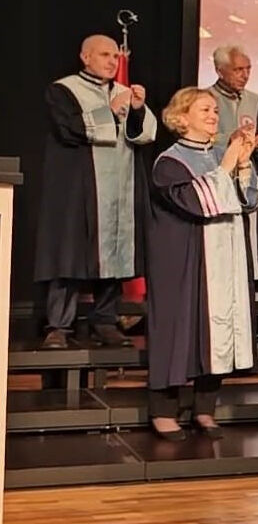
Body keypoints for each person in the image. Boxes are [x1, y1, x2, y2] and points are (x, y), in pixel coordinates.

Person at [145, 88, 258, 440]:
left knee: (218, 332)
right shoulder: (169, 162)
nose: (214, 115)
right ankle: (164, 412)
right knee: (177, 331)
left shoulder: (220, 153)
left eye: (215, 110)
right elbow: (197, 202)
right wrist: (229, 163)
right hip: (185, 260)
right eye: (205, 109)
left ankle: (204, 409)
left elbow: (255, 200)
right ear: (181, 118)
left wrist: (244, 163)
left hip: (225, 257)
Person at [36, 34, 157, 349]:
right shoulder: (63, 90)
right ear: (85, 57)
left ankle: (104, 321)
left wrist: (138, 109)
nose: (112, 62)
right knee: (70, 254)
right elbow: (69, 129)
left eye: (115, 57)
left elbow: (145, 135)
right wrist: (109, 111)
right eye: (104, 55)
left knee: (115, 255)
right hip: (80, 190)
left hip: (120, 189)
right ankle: (59, 327)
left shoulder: (125, 92)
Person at [205, 46, 258, 278]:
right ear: (220, 71)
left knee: (249, 254)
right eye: (238, 69)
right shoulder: (205, 100)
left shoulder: (255, 101)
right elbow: (194, 136)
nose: (245, 75)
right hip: (217, 185)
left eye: (248, 69)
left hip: (248, 184)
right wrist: (230, 140)